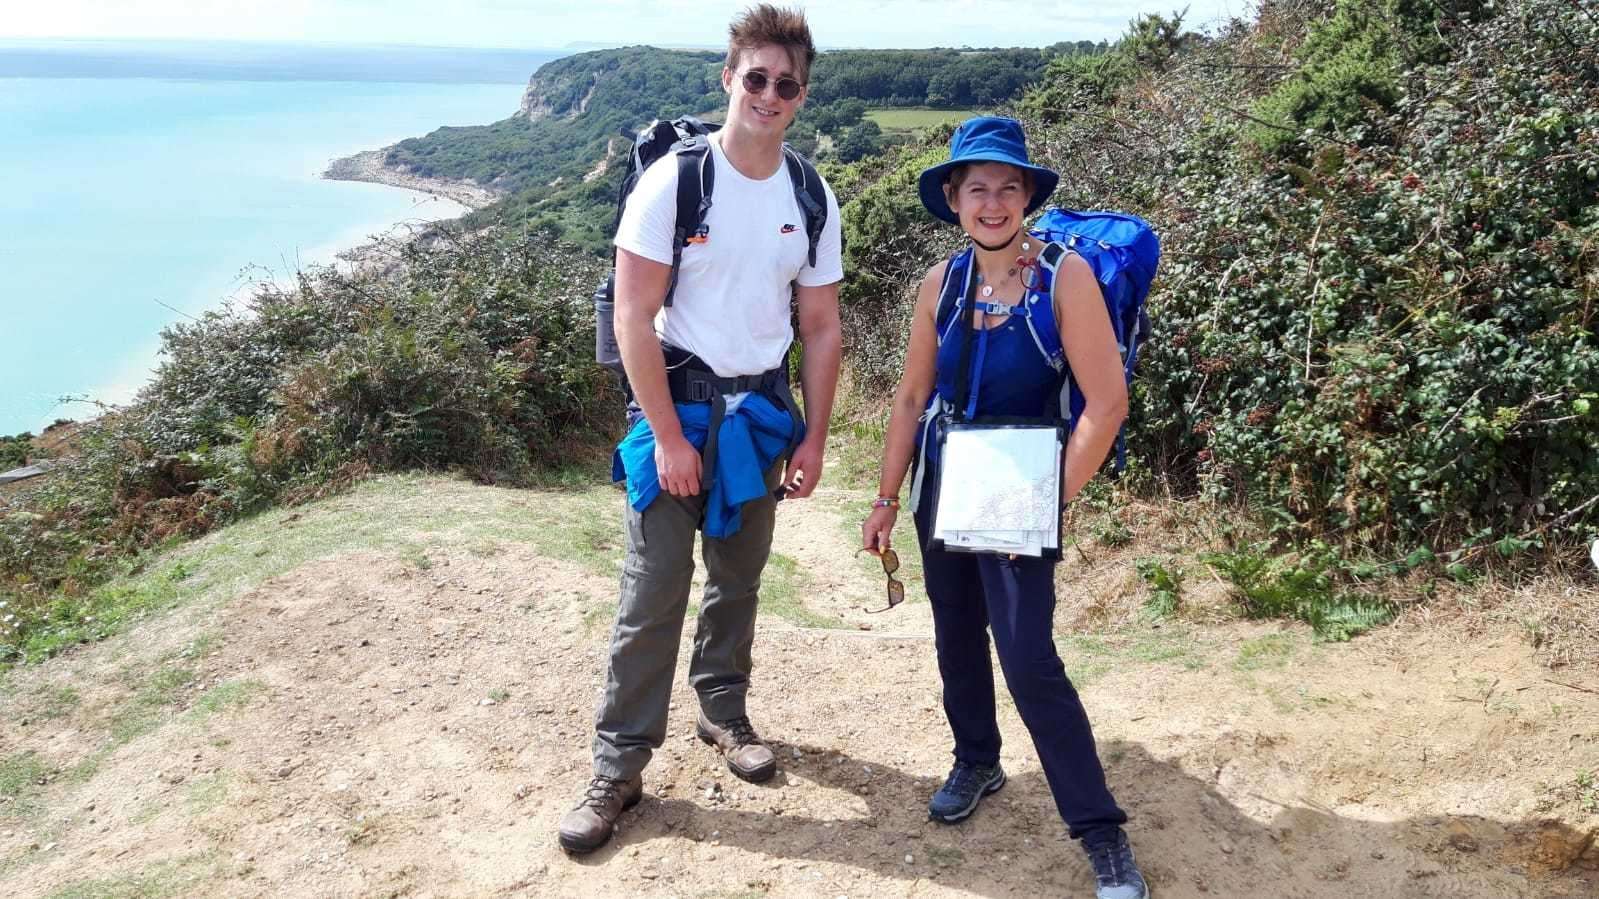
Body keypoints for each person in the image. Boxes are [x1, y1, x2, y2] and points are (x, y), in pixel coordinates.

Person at [558, 4, 843, 855]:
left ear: (801, 96)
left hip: (759, 416)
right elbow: (637, 318)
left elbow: (822, 327)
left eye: (785, 84)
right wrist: (669, 438)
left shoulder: (808, 193)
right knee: (652, 592)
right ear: (729, 78)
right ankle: (618, 765)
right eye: (754, 77)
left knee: (739, 577)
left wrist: (816, 437)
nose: (768, 93)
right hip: (673, 408)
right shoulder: (674, 183)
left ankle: (722, 710)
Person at [859, 116, 1150, 899]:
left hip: (1022, 486)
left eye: (1007, 187)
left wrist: (1048, 501)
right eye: (976, 187)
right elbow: (914, 394)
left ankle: (1099, 832)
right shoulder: (941, 284)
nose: (992, 202)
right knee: (955, 634)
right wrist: (887, 496)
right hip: (947, 482)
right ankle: (977, 758)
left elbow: (1106, 401)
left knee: (1028, 658)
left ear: (1026, 197)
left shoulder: (1066, 278)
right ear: (953, 199)